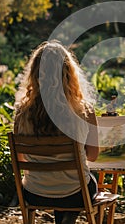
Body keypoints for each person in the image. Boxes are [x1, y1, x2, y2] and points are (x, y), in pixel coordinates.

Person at [14, 40, 99, 224]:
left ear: (35, 74)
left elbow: (20, 159)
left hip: (34, 193)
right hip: (75, 194)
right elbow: (92, 155)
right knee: (87, 181)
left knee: (64, 182)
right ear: (69, 74)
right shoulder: (84, 111)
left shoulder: (22, 112)